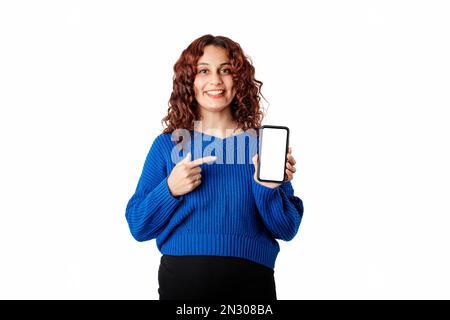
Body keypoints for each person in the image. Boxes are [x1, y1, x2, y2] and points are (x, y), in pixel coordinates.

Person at [125, 34, 304, 301]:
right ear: (190, 81)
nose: (216, 81)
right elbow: (139, 225)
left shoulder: (262, 147)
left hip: (252, 287)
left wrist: (267, 189)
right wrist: (170, 190)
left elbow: (287, 228)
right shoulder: (168, 145)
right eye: (203, 71)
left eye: (226, 70)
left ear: (239, 79)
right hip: (183, 285)